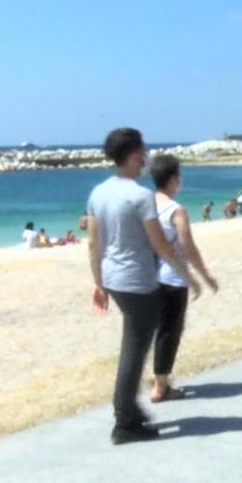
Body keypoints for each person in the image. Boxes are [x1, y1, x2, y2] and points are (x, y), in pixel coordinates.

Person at [87, 127, 198, 445]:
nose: (146, 159)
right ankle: (125, 422)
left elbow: (94, 244)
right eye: (144, 153)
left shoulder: (99, 193)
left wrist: (98, 282)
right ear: (135, 154)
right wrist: (186, 273)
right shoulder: (140, 196)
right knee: (133, 353)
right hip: (138, 282)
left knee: (132, 348)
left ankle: (131, 415)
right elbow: (161, 244)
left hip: (114, 279)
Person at [149, 155, 219, 403]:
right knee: (170, 331)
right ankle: (160, 387)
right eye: (179, 176)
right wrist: (204, 276)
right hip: (172, 277)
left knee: (159, 330)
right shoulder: (175, 210)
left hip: (149, 277)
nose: (180, 180)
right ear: (172, 179)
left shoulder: (146, 205)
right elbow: (188, 247)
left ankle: (159, 378)